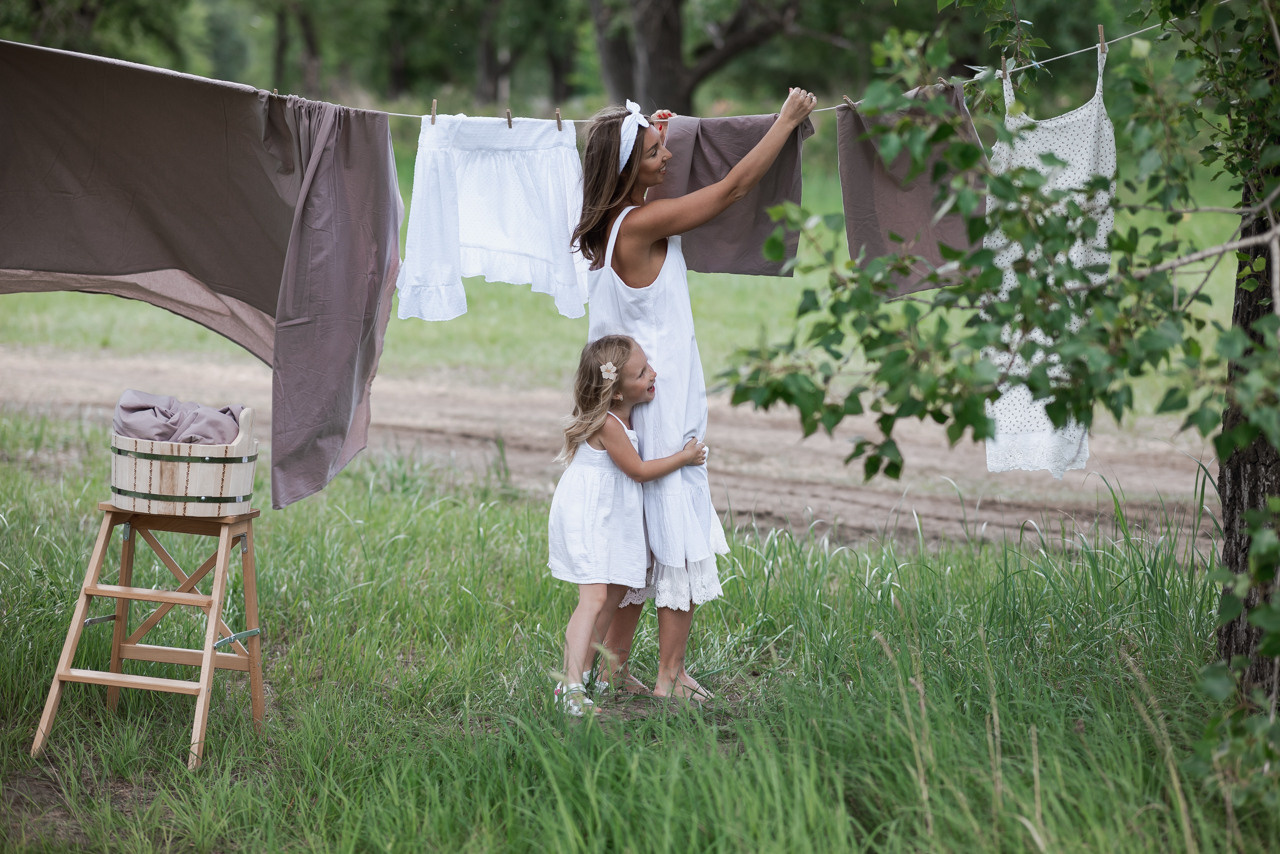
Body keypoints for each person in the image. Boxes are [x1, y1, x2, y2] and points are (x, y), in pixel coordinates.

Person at [573, 89, 818, 701]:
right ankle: (671, 675)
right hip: (662, 395)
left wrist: (661, 135)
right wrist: (785, 121)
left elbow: (656, 179)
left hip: (632, 395)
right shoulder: (643, 223)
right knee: (676, 529)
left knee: (641, 539)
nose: (666, 160)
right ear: (630, 169)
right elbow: (732, 189)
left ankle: (611, 670)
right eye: (655, 154)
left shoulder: (609, 224)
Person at [547, 334, 708, 716]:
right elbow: (637, 471)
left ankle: (594, 673)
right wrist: (684, 458)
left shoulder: (622, 414)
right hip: (588, 516)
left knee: (617, 590)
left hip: (609, 515)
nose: (653, 374)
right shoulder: (608, 424)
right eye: (641, 373)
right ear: (617, 393)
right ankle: (568, 687)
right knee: (595, 598)